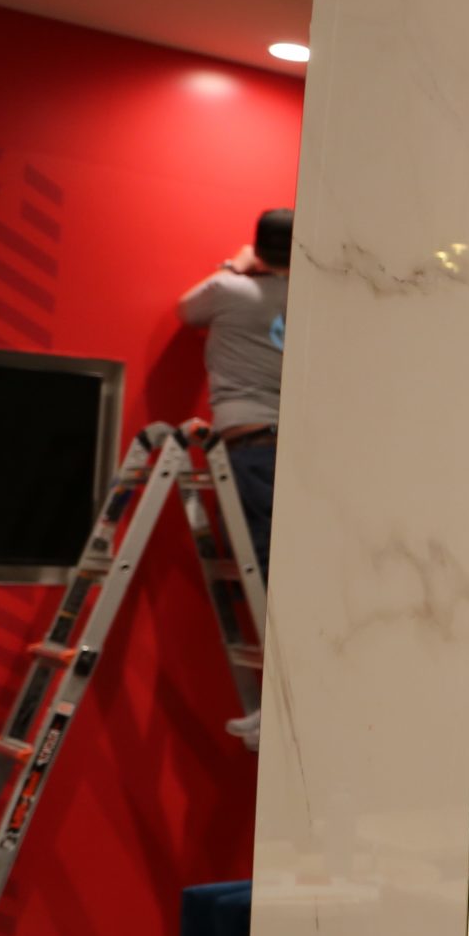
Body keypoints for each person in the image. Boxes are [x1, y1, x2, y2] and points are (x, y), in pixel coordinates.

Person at [178, 208, 290, 746]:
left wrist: (236, 263)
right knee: (276, 572)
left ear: (259, 248)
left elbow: (185, 309)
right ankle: (282, 705)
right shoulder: (307, 300)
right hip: (287, 447)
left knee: (269, 574)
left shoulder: (229, 289)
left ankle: (284, 710)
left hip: (252, 446)